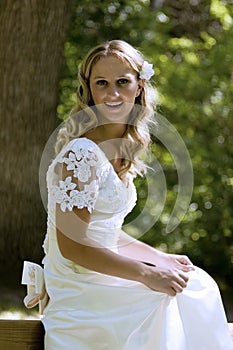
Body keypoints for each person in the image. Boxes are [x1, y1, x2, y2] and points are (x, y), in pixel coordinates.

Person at [22, 40, 233, 349]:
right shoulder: (81, 153)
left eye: (122, 82)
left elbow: (104, 232)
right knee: (161, 302)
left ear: (139, 86)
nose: (112, 94)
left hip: (100, 272)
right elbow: (74, 247)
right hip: (80, 285)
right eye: (101, 83)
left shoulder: (121, 149)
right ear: (89, 90)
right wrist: (145, 274)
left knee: (197, 284)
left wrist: (159, 258)